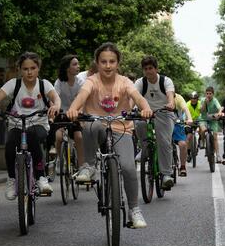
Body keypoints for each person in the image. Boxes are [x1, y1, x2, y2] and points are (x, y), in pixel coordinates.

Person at [67, 43, 153, 229]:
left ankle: (134, 210)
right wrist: (73, 109)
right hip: (97, 126)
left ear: (117, 63)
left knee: (129, 168)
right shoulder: (91, 81)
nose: (108, 65)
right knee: (91, 124)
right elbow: (82, 96)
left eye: (112, 61)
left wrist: (145, 108)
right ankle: (88, 166)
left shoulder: (125, 82)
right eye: (103, 61)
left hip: (121, 129)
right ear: (97, 63)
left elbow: (137, 96)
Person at [0, 52, 60, 199]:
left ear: (38, 68)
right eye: (25, 69)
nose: (29, 72)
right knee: (10, 144)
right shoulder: (14, 84)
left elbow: (55, 97)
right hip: (17, 124)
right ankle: (12, 179)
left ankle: (40, 178)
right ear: (20, 69)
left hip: (39, 123)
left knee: (32, 135)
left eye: (33, 68)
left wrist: (56, 106)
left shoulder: (44, 84)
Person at [133, 55, 177, 190]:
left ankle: (166, 175)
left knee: (163, 141)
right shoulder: (140, 82)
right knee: (138, 122)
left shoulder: (165, 81)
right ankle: (145, 146)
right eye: (145, 69)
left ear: (156, 69)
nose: (148, 71)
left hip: (164, 112)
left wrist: (170, 103)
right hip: (145, 112)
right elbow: (133, 97)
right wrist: (130, 108)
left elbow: (171, 96)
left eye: (151, 68)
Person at [53, 54, 87, 169]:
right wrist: (54, 109)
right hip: (61, 114)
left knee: (79, 137)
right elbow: (55, 97)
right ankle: (59, 160)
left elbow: (81, 100)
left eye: (78, 64)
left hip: (76, 114)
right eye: (75, 64)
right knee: (58, 136)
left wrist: (80, 114)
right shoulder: (59, 82)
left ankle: (82, 165)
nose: (78, 66)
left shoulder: (80, 82)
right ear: (67, 68)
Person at [172, 91, 194, 176]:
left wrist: (189, 118)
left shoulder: (178, 97)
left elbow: (185, 108)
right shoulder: (160, 96)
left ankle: (183, 167)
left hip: (178, 125)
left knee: (183, 144)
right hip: (164, 125)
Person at [198, 86, 222, 160]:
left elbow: (220, 108)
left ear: (213, 94)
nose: (208, 95)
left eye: (210, 93)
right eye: (207, 93)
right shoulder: (202, 100)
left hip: (213, 119)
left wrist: (219, 113)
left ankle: (217, 155)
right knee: (203, 129)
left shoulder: (215, 100)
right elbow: (201, 111)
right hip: (203, 119)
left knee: (215, 137)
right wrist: (205, 103)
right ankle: (202, 141)